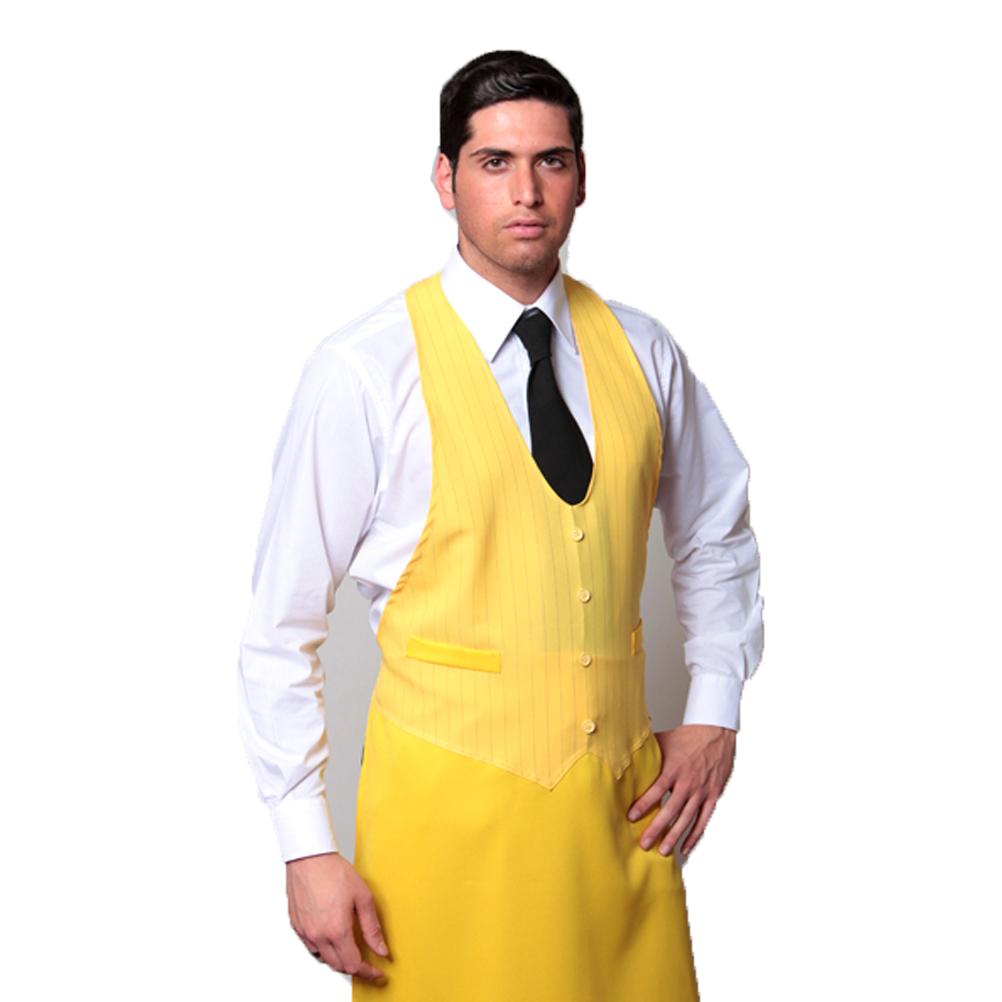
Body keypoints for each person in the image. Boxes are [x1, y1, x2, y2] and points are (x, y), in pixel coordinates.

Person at [237, 49, 764, 1001]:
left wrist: (715, 710)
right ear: (446, 180)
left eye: (550, 161)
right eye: (494, 162)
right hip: (443, 839)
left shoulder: (645, 350)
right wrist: (304, 848)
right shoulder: (366, 371)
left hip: (625, 832)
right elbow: (280, 627)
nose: (526, 192)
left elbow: (716, 532)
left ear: (582, 177)